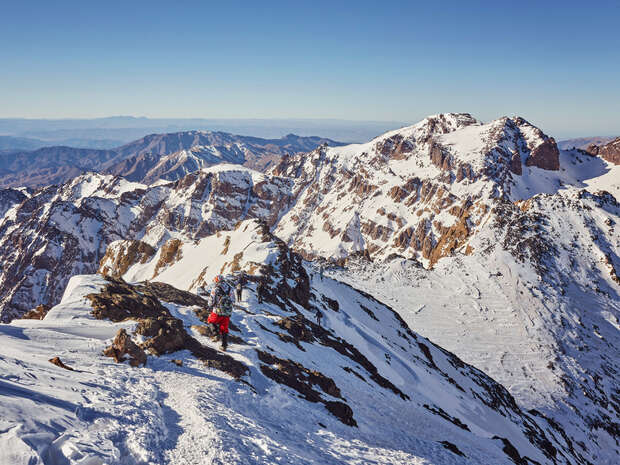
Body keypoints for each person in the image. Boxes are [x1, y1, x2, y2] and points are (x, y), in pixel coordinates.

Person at [207, 275, 235, 351]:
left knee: (210, 320)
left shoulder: (215, 288)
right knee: (224, 328)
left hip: (217, 310)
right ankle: (224, 345)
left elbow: (211, 300)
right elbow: (233, 300)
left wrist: (209, 306)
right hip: (227, 311)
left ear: (216, 281)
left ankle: (215, 334)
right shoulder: (230, 288)